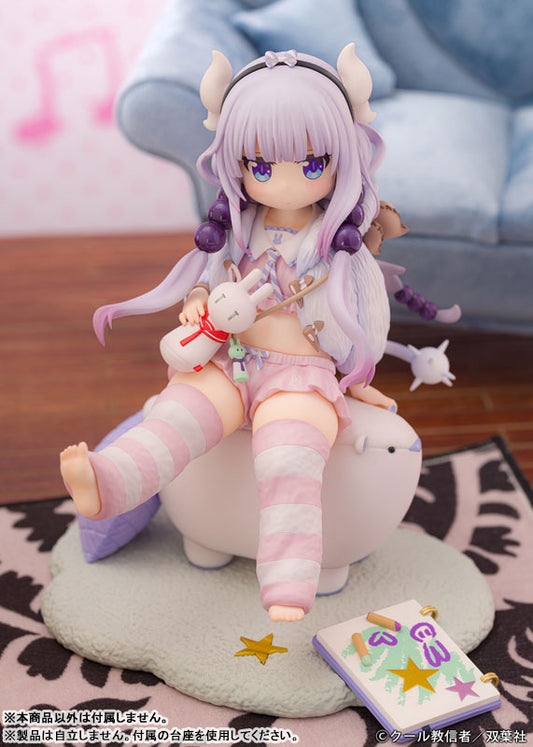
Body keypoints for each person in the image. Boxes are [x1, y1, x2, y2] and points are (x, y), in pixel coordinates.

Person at [60, 44, 398, 622]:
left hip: (303, 376)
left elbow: (369, 314)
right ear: (236, 165)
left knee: (289, 455)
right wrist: (197, 302)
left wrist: (360, 372)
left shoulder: (336, 245)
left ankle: (290, 575)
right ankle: (110, 481)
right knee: (175, 417)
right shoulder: (238, 231)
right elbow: (209, 280)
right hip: (231, 359)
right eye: (261, 168)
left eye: (311, 165)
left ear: (341, 159)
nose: (284, 184)